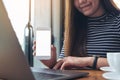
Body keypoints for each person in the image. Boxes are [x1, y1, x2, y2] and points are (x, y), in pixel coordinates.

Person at [33, 0, 120, 70]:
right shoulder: (74, 27)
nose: (81, 1)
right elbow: (66, 63)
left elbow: (76, 61)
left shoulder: (117, 21)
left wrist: (88, 61)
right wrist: (52, 64)